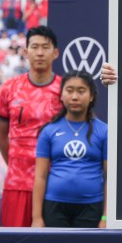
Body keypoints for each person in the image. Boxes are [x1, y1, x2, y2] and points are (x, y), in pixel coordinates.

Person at [0, 26, 62, 227]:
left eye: (45, 47)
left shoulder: (65, 89)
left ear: (55, 53)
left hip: (54, 185)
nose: (40, 53)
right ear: (25, 52)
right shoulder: (9, 88)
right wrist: (16, 165)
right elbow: (1, 136)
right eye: (34, 47)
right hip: (17, 183)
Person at [32, 71, 107, 228]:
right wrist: (37, 217)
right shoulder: (48, 131)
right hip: (54, 206)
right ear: (61, 95)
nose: (74, 97)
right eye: (69, 90)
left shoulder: (104, 131)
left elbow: (109, 178)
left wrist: (105, 217)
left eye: (81, 91)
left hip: (91, 207)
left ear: (91, 96)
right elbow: (40, 176)